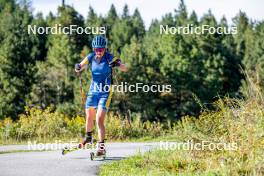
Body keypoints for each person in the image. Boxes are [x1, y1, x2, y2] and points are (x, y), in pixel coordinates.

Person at [75, 35, 128, 156]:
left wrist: (117, 64)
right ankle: (88, 137)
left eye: (101, 49)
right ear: (93, 49)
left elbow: (125, 68)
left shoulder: (110, 57)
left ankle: (101, 147)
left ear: (105, 48)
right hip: (93, 90)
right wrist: (77, 67)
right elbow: (80, 66)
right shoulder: (91, 57)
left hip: (105, 91)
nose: (98, 51)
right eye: (96, 49)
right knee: (89, 116)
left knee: (99, 119)